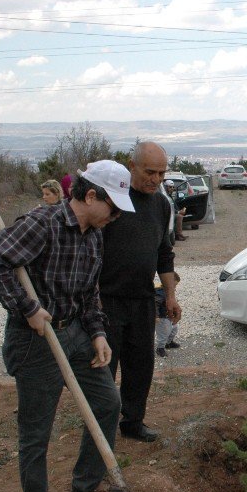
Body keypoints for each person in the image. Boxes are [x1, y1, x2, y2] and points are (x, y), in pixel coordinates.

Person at [0, 160, 135, 492]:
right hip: (35, 340)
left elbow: (89, 293)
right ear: (91, 195)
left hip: (76, 333)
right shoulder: (41, 224)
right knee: (36, 430)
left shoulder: (93, 235)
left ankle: (86, 485)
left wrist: (97, 333)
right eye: (112, 207)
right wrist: (27, 308)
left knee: (108, 402)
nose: (115, 216)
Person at [100, 141, 180, 443]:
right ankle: (101, 428)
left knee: (141, 366)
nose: (156, 179)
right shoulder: (114, 201)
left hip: (143, 300)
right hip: (107, 299)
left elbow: (165, 253)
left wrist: (170, 295)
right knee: (105, 367)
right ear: (132, 166)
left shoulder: (161, 205)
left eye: (161, 173)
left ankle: (133, 421)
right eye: (150, 172)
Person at [154, 271, 181, 357]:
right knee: (163, 333)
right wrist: (156, 316)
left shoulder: (169, 292)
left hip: (168, 316)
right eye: (174, 286)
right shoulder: (160, 292)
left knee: (174, 328)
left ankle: (169, 343)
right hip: (161, 317)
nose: (175, 288)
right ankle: (160, 348)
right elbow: (155, 304)